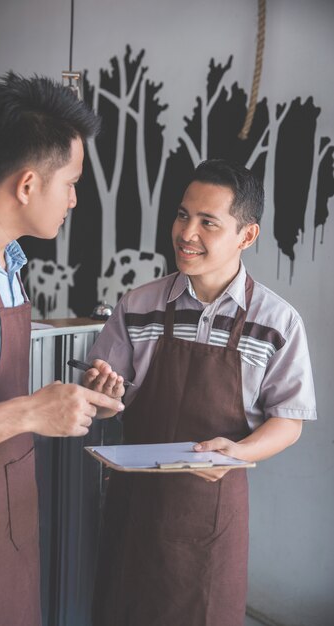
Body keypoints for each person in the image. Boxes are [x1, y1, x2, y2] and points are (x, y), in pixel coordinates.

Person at [0, 73, 125, 626]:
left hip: (6, 526)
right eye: (72, 183)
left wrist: (72, 402)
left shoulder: (6, 264)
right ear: (28, 184)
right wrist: (31, 410)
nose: (76, 199)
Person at [82, 159, 317, 626]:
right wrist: (101, 395)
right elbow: (105, 402)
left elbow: (288, 421)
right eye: (182, 215)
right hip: (133, 510)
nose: (186, 233)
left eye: (207, 222)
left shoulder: (277, 322)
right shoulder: (138, 305)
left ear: (246, 236)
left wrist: (240, 450)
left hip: (211, 516)